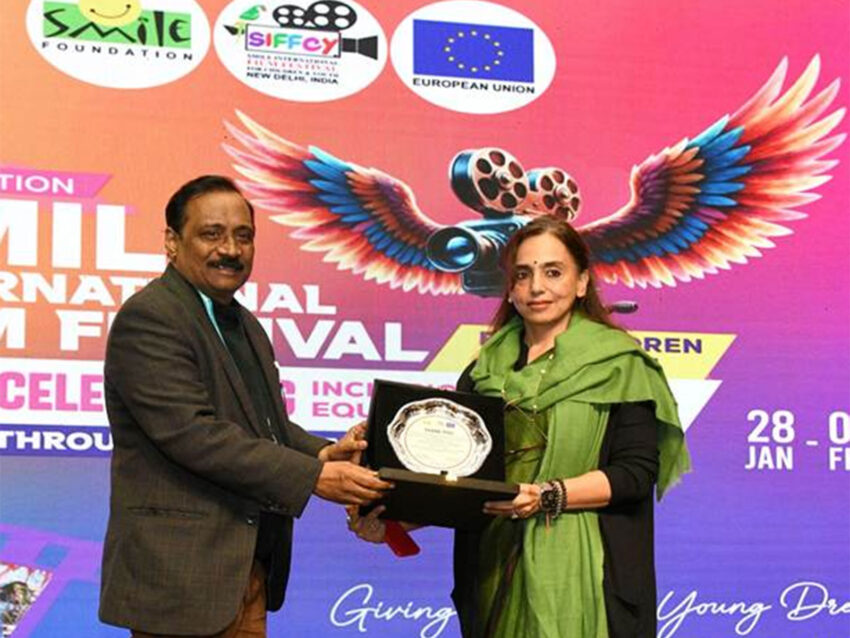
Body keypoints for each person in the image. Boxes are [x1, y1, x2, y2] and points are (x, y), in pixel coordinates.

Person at [350, 216, 690, 638]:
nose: (536, 287)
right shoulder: (482, 372)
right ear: (510, 288)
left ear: (582, 282)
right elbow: (469, 485)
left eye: (553, 272)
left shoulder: (622, 365)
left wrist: (547, 496)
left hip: (591, 578)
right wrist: (392, 521)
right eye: (523, 274)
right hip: (494, 573)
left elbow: (635, 474)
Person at [99, 175, 391, 637]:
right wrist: (313, 477)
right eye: (211, 234)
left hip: (246, 570)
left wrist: (323, 451)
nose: (230, 250)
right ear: (172, 242)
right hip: (183, 580)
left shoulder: (243, 323)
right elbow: (195, 436)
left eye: (243, 236)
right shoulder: (151, 317)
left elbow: (265, 423)